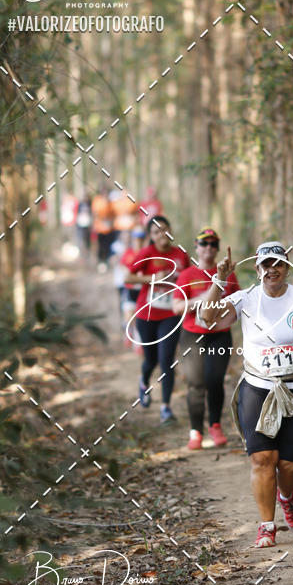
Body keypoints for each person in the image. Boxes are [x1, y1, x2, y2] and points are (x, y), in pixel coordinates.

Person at [199, 241, 293, 548]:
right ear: (258, 269)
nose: (272, 270)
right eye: (266, 265)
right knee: (262, 458)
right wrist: (218, 280)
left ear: (286, 268)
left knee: (291, 466)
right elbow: (208, 318)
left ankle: (287, 495)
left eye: (278, 264)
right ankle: (266, 525)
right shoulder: (245, 298)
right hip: (258, 387)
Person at [172, 228, 240, 450]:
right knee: (195, 384)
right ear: (196, 247)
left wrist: (222, 311)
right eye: (204, 244)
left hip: (219, 336)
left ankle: (215, 425)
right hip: (192, 335)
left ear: (218, 248)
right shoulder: (187, 275)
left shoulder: (228, 275)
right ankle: (196, 431)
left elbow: (237, 303)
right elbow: (176, 307)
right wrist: (200, 301)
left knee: (214, 380)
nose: (208, 248)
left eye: (213, 244)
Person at [125, 215, 190, 423]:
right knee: (151, 359)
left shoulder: (180, 254)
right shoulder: (146, 253)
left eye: (164, 229)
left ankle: (166, 408)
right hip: (147, 313)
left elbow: (190, 277)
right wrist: (152, 278)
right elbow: (128, 277)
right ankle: (144, 382)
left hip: (171, 313)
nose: (161, 234)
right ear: (151, 237)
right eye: (156, 232)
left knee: (166, 360)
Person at [91, 189, 115, 271]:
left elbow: (113, 214)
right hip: (99, 228)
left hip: (109, 229)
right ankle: (100, 261)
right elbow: (95, 213)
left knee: (107, 246)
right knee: (100, 246)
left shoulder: (110, 202)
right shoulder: (97, 201)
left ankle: (107, 261)